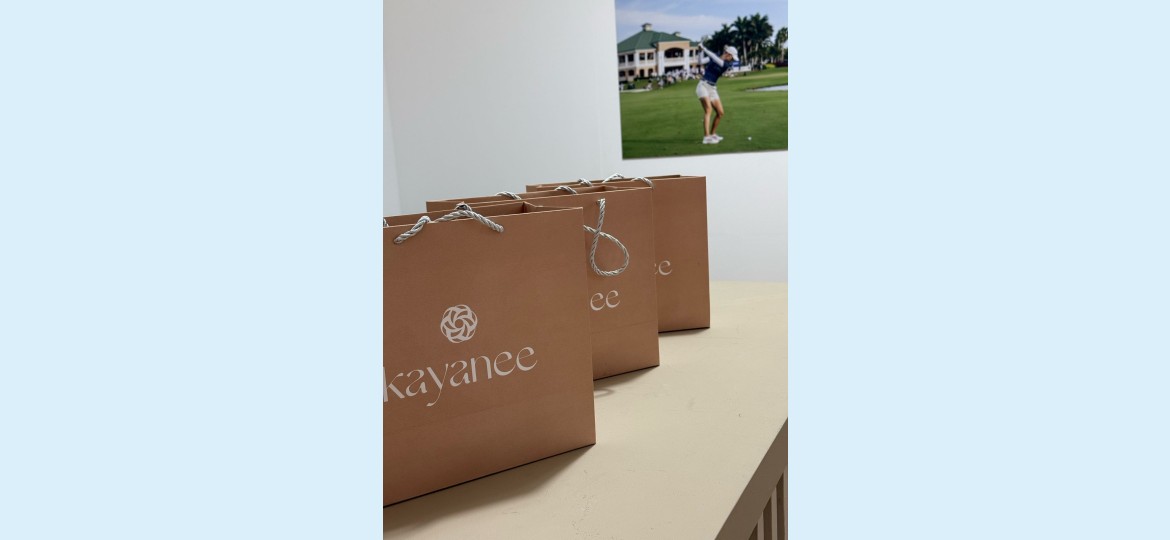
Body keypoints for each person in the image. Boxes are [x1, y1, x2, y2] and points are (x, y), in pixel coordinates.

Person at [695, 44, 737, 144]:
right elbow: (700, 62)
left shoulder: (726, 64)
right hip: (703, 86)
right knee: (708, 110)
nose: (732, 60)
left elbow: (714, 58)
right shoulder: (716, 57)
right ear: (728, 54)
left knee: (720, 112)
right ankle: (706, 137)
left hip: (712, 88)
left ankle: (713, 134)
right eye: (732, 58)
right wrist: (700, 51)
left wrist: (704, 48)